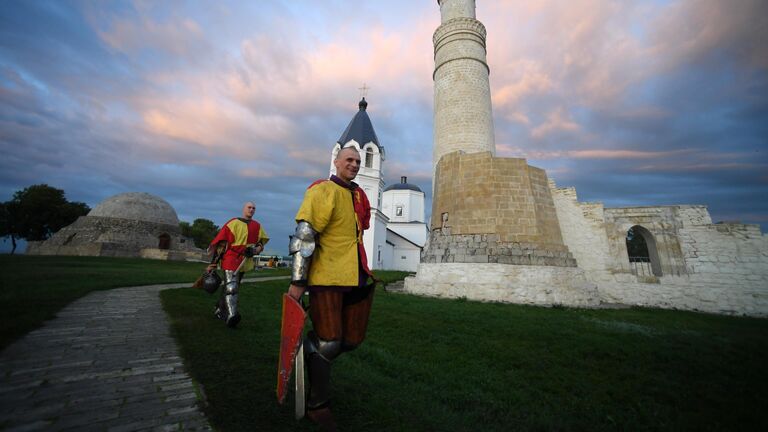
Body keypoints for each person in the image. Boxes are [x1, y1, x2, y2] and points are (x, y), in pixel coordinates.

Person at [287, 146, 376, 431]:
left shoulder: (359, 195)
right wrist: (298, 283)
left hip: (356, 275)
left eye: (358, 161)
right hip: (328, 276)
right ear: (336, 162)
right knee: (331, 342)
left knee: (351, 340)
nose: (354, 164)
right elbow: (305, 237)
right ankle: (318, 404)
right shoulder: (322, 191)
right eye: (349, 160)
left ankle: (312, 348)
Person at [208, 201, 269, 328]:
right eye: (249, 207)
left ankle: (219, 309)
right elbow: (221, 244)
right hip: (231, 258)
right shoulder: (233, 223)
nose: (251, 210)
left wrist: (255, 250)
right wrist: (213, 263)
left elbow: (261, 243)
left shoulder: (257, 226)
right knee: (232, 288)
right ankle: (232, 315)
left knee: (231, 287)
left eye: (254, 208)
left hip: (244, 261)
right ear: (244, 209)